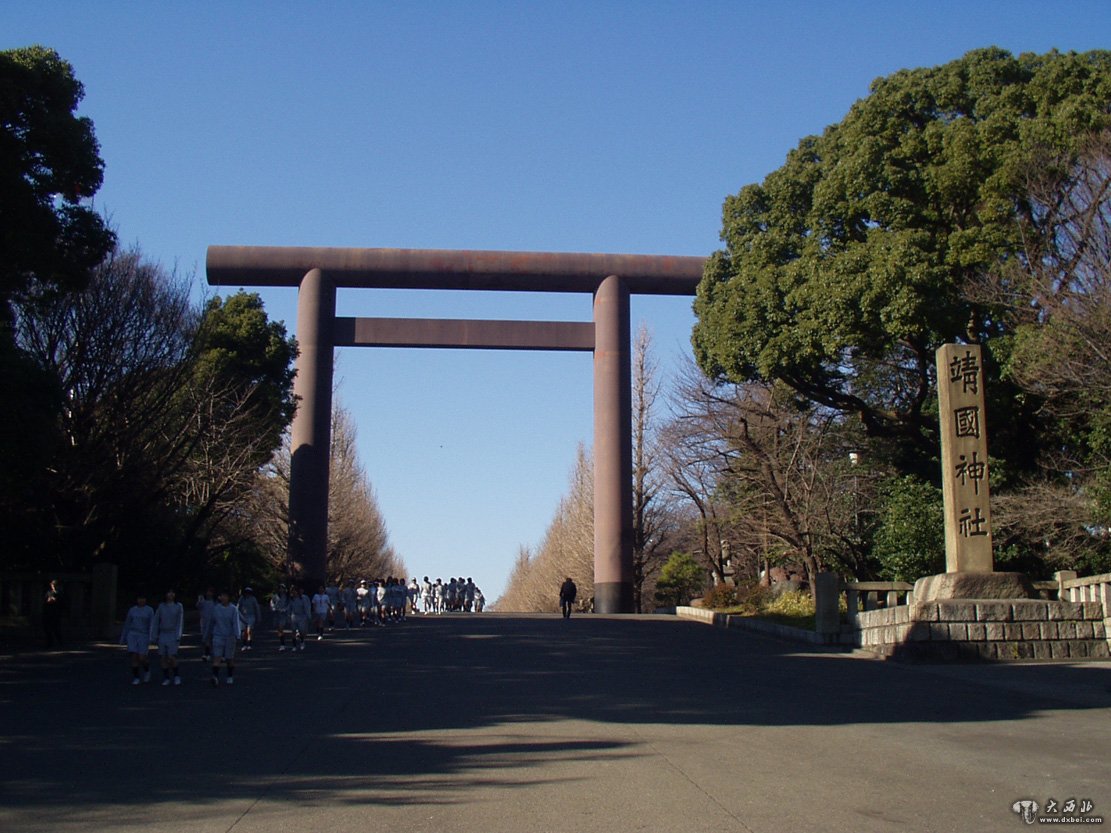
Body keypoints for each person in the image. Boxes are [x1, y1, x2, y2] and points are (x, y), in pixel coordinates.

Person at [204, 590, 241, 685]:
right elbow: (211, 622)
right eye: (222, 596)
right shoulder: (216, 608)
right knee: (217, 657)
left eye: (225, 596)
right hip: (218, 635)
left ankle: (230, 675)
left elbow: (235, 623)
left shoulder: (233, 609)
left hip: (230, 636)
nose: (223, 598)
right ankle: (215, 676)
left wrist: (237, 635)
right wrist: (207, 634)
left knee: (229, 658)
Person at [150, 590, 184, 686]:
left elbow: (180, 621)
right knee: (163, 656)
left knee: (171, 656)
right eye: (169, 592)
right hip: (163, 633)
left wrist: (178, 634)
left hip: (173, 633)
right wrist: (154, 635)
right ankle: (166, 677)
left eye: (173, 593)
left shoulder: (178, 606)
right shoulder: (161, 606)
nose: (171, 595)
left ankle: (176, 675)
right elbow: (156, 620)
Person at [120, 593, 155, 684]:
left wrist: (151, 636)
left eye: (143, 598)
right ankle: (136, 677)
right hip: (132, 634)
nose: (141, 600)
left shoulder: (149, 610)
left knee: (142, 657)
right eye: (139, 598)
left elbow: (152, 624)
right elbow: (127, 623)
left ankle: (147, 670)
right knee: (134, 656)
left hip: (144, 635)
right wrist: (123, 637)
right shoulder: (132, 610)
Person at [236, 586, 262, 651]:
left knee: (249, 630)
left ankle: (249, 644)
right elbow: (238, 607)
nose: (247, 594)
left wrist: (259, 617)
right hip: (243, 616)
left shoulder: (253, 599)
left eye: (249, 592)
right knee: (244, 632)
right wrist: (237, 616)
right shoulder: (242, 598)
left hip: (251, 616)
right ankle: (244, 644)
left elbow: (257, 608)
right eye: (246, 592)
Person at [42, 579, 64, 648]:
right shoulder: (48, 592)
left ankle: (60, 642)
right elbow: (45, 600)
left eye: (54, 585)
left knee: (56, 628)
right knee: (47, 628)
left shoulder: (59, 593)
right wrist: (48, 600)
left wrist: (54, 599)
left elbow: (61, 601)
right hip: (48, 612)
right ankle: (49, 643)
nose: (53, 586)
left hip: (55, 612)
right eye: (52, 585)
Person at [196, 587, 216, 662]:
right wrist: (200, 600)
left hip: (213, 622)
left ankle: (212, 653)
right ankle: (207, 653)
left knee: (212, 638)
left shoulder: (215, 603)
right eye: (207, 592)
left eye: (210, 592)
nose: (209, 594)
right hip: (204, 622)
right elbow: (198, 606)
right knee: (205, 638)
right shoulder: (203, 602)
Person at [288, 585, 311, 651]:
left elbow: (306, 608)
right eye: (292, 591)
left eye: (295, 591)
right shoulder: (291, 599)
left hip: (302, 616)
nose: (294, 593)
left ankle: (302, 641)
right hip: (294, 616)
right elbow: (289, 608)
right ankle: (294, 645)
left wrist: (308, 616)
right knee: (293, 631)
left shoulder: (303, 598)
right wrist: (288, 616)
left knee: (301, 630)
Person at [270, 584, 291, 651]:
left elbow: (289, 604)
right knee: (279, 630)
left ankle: (282, 644)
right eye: (280, 588)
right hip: (277, 614)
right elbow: (272, 603)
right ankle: (281, 641)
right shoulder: (275, 596)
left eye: (282, 588)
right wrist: (273, 608)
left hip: (283, 614)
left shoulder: (287, 597)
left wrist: (285, 609)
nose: (281, 590)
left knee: (281, 627)